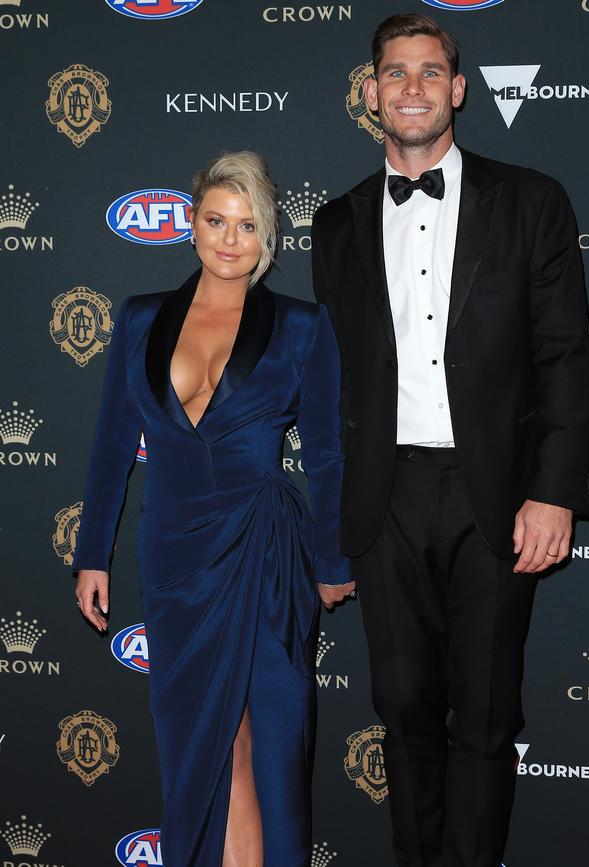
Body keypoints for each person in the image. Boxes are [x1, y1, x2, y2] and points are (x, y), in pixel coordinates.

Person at [311, 14, 589, 867]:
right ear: (370, 93)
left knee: (483, 713)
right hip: (385, 497)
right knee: (401, 708)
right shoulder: (337, 223)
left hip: (498, 497)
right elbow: (332, 388)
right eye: (394, 73)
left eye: (429, 72)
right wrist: (331, 527)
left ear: (458, 89)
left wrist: (554, 491)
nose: (411, 88)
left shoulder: (532, 200)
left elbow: (565, 357)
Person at [73, 151, 355, 867]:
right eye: (216, 220)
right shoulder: (140, 320)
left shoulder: (300, 327)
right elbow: (112, 446)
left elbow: (325, 456)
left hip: (262, 553)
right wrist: (91, 555)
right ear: (190, 226)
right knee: (202, 748)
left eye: (249, 224)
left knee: (262, 746)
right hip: (173, 560)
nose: (231, 239)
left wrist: (331, 558)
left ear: (268, 239)